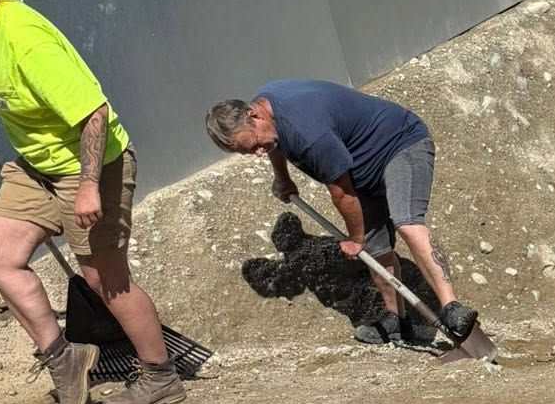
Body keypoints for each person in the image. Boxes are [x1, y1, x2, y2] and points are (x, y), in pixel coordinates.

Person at [0, 0, 186, 404]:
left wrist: (88, 185)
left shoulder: (25, 38)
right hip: (38, 166)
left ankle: (161, 375)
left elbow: (93, 112)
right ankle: (66, 360)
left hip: (92, 164)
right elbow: (3, 78)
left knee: (102, 275)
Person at [204, 80, 478, 347]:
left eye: (254, 144)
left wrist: (356, 238)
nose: (258, 153)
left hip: (400, 144)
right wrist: (282, 177)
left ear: (254, 114)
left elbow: (343, 194)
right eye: (249, 151)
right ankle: (396, 321)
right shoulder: (267, 109)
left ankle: (451, 307)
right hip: (363, 169)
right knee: (375, 250)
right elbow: (275, 143)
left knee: (405, 221)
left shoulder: (308, 134)